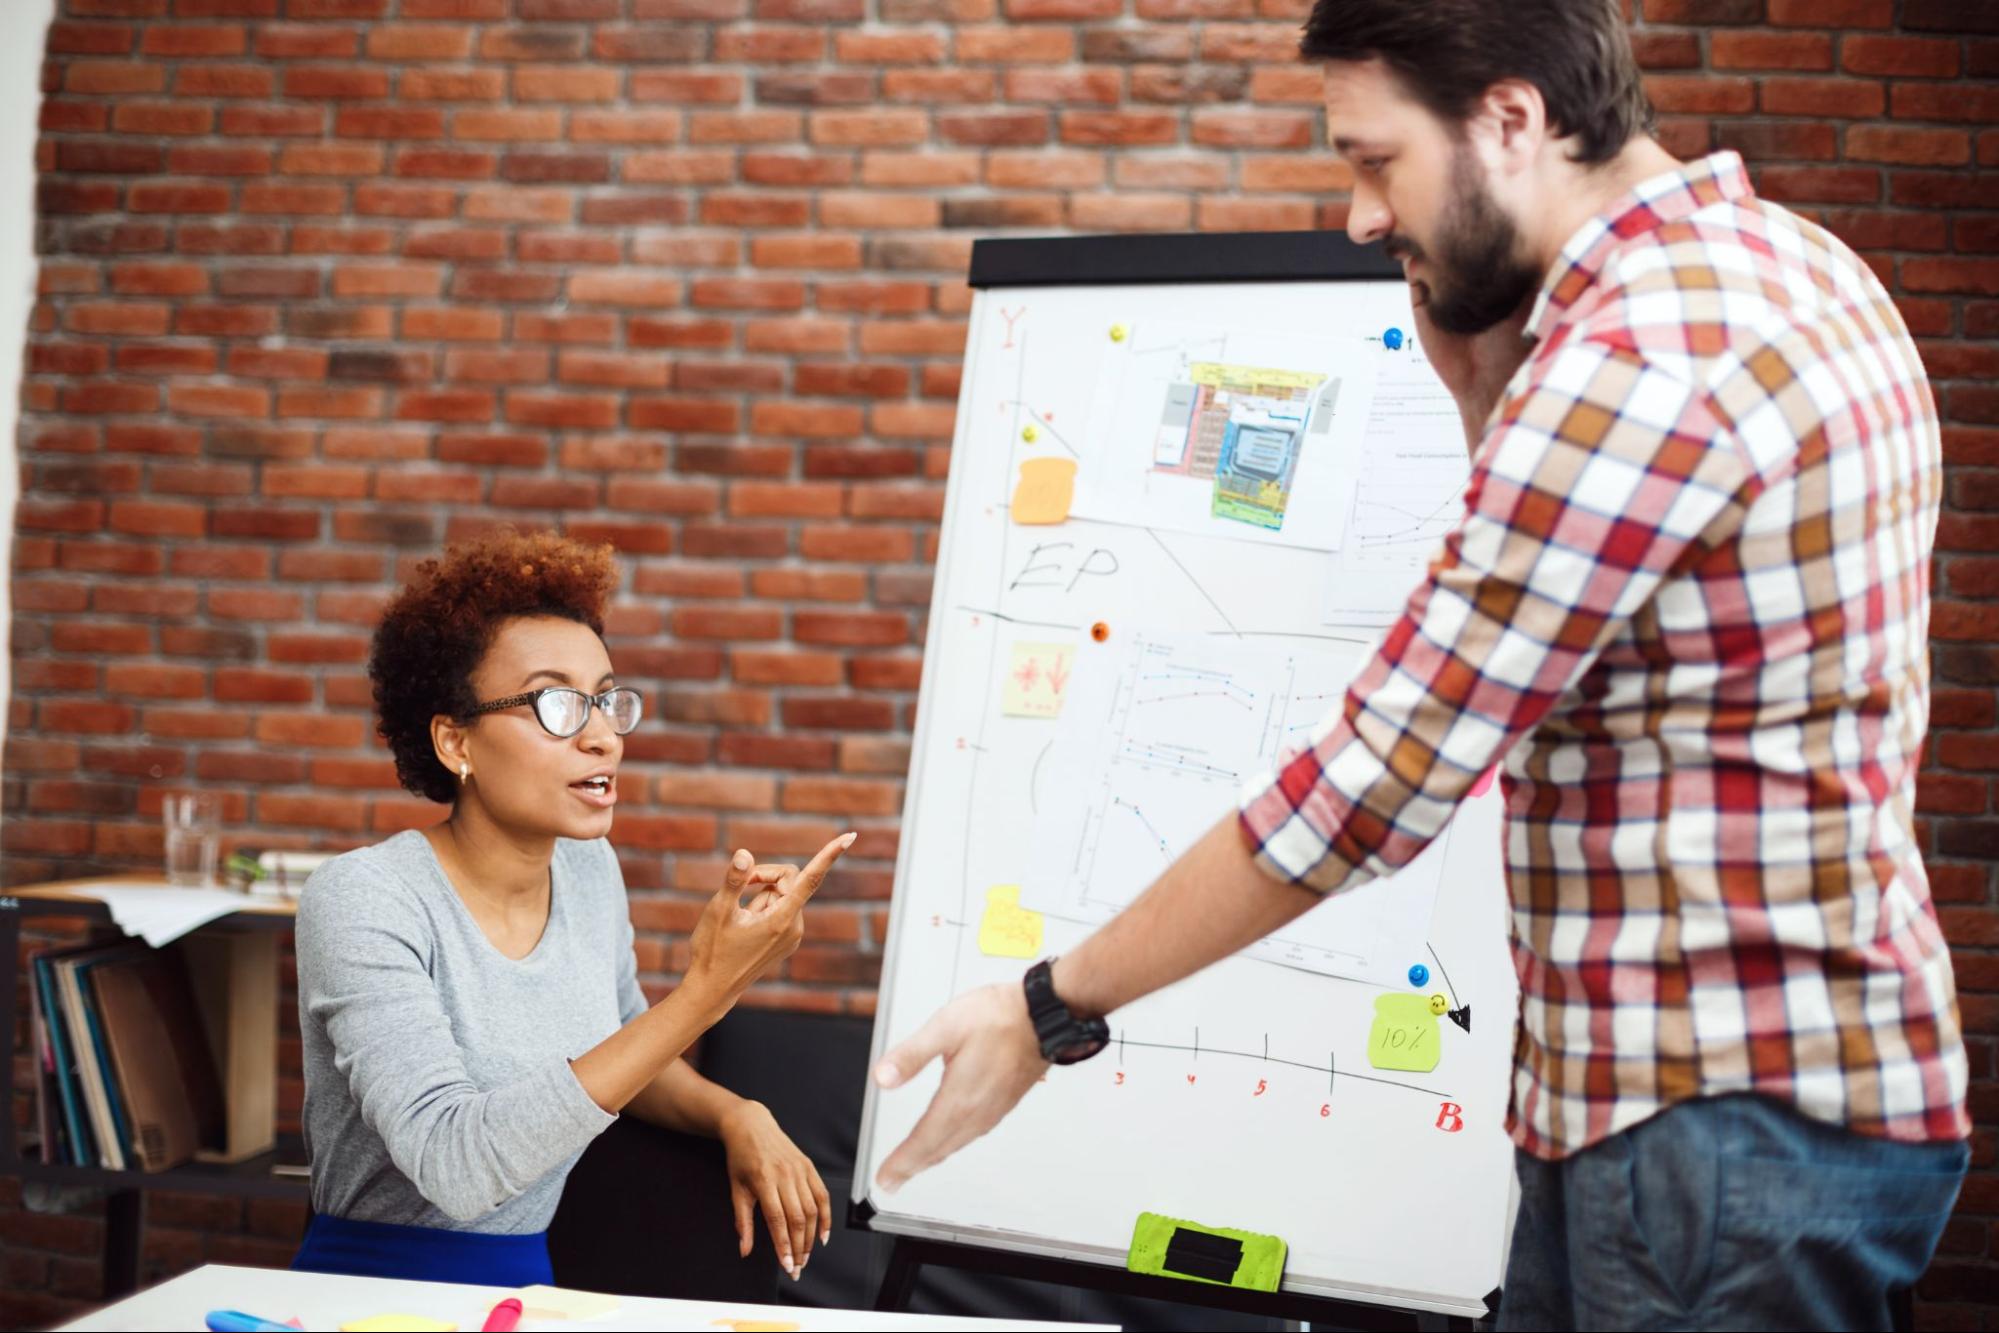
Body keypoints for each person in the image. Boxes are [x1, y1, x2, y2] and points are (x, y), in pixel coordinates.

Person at [870, 2, 1970, 1328]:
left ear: (1510, 120)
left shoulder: (1633, 362)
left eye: (1372, 160)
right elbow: (1599, 646)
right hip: (1734, 1107)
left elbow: (1369, 785)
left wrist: (1044, 1005)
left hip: (1709, 1130)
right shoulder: (1787, 265)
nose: (1354, 215)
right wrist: (1476, 401)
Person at [294, 529, 848, 1287]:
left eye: (605, 699)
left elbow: (625, 1047)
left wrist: (734, 1112)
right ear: (456, 742)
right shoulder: (365, 898)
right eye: (557, 703)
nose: (601, 736)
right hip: (373, 1291)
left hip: (529, 1288)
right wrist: (708, 992)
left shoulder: (587, 869)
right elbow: (453, 1166)